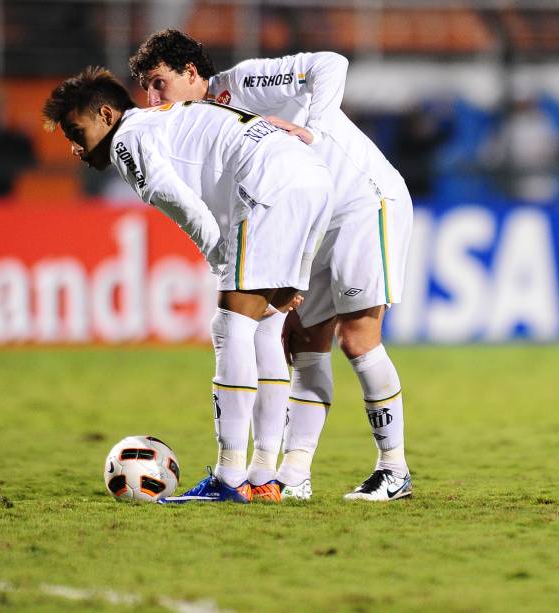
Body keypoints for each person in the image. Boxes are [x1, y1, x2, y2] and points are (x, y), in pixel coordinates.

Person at [128, 29, 414, 501]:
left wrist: (315, 129)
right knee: (303, 341)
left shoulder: (241, 85)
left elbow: (331, 63)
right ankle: (294, 475)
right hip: (309, 219)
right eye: (146, 88)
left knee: (358, 335)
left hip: (364, 200)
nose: (152, 97)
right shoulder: (193, 126)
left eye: (160, 83)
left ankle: (393, 468)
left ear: (192, 73)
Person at [42, 66, 333, 504]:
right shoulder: (167, 120)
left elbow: (181, 203)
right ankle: (264, 477)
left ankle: (229, 477)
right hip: (312, 177)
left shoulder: (127, 140)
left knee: (230, 325)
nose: (74, 147)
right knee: (268, 325)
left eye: (75, 130)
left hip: (269, 180)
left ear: (105, 114)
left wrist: (222, 261)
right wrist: (297, 272)